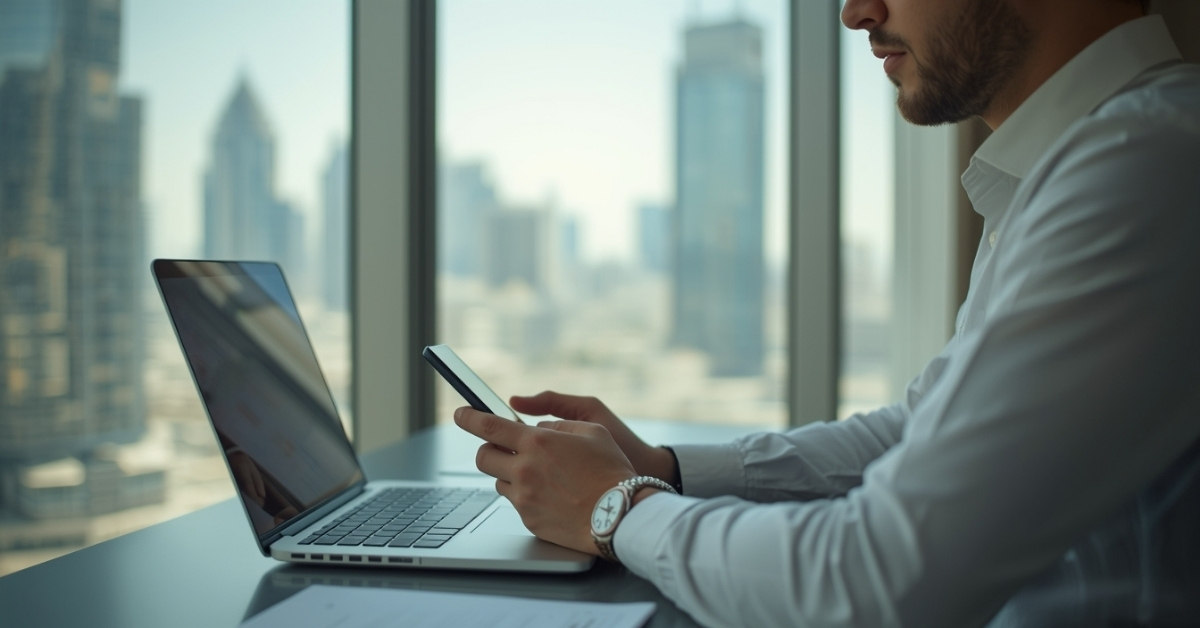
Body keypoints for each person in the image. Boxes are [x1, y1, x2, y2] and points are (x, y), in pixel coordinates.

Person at [454, 1, 1200, 626]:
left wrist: (617, 507)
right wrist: (668, 470)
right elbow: (921, 427)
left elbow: (877, 583)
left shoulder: (1141, 168)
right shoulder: (1080, 163)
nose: (855, 12)